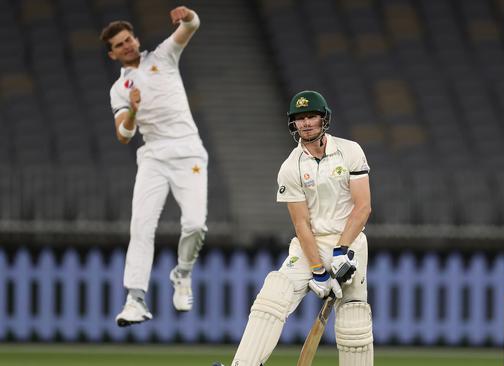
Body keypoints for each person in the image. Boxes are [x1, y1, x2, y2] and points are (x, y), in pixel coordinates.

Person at [223, 91, 374, 365]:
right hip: (310, 245)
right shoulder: (290, 167)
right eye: (299, 118)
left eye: (311, 116)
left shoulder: (350, 151)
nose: (305, 123)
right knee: (274, 292)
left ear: (323, 118)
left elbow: (362, 207)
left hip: (350, 243)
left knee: (354, 318)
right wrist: (318, 271)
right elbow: (301, 223)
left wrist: (341, 251)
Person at [99, 6, 208, 327]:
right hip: (154, 157)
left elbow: (192, 26)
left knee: (195, 225)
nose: (127, 45)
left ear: (135, 38)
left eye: (128, 39)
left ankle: (182, 273)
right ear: (112, 54)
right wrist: (132, 111)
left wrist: (187, 15)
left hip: (189, 152)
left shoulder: (163, 56)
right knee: (141, 227)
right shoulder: (119, 89)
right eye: (119, 45)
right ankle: (134, 299)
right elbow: (124, 134)